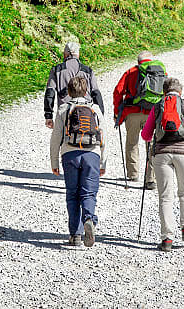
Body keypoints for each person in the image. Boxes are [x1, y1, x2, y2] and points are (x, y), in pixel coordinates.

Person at [140, 77, 184, 251]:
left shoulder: (158, 106)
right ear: (180, 92)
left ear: (164, 91)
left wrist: (154, 137)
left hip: (162, 154)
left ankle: (167, 239)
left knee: (165, 196)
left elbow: (145, 135)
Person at [50, 75, 106, 247]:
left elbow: (56, 138)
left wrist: (54, 163)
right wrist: (103, 162)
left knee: (72, 194)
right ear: (86, 90)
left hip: (70, 154)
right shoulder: (95, 109)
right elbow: (103, 136)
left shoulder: (63, 109)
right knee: (88, 193)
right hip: (92, 154)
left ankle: (75, 235)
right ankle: (89, 218)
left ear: (69, 91)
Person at [113, 51, 167, 187]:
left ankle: (133, 174)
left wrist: (117, 113)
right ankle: (150, 178)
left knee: (132, 143)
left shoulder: (131, 72)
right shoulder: (160, 72)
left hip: (132, 113)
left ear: (138, 62)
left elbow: (118, 92)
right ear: (151, 60)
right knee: (152, 145)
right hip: (153, 114)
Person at [44, 42, 104, 129]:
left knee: (60, 140)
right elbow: (96, 94)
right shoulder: (88, 71)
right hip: (85, 112)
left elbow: (50, 93)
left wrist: (48, 116)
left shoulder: (56, 70)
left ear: (65, 54)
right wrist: (100, 116)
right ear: (78, 54)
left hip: (64, 112)